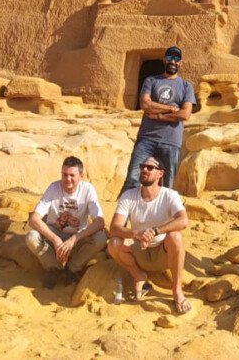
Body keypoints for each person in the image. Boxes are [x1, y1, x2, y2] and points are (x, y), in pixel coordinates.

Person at [107, 155, 191, 314]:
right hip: (141, 252)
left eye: (150, 167)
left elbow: (183, 221)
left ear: (160, 173)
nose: (144, 169)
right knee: (114, 243)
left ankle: (177, 291)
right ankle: (138, 275)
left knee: (176, 237)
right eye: (143, 166)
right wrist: (136, 234)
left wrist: (155, 231)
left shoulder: (169, 195)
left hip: (163, 253)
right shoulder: (129, 196)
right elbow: (114, 228)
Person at [25, 155, 108, 288]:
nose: (67, 179)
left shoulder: (88, 189)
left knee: (100, 237)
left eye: (72, 175)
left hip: (78, 235)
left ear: (81, 176)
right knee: (31, 237)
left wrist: (74, 239)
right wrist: (55, 239)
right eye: (64, 174)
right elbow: (34, 219)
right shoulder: (53, 187)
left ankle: (72, 269)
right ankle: (54, 268)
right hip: (55, 232)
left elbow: (100, 222)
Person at [121, 45, 194, 192]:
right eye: (169, 57)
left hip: (171, 141)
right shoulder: (151, 81)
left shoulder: (186, 86)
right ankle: (124, 214)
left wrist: (158, 115)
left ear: (180, 63)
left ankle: (163, 215)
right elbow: (145, 104)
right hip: (147, 138)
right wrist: (170, 108)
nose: (173, 61)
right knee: (133, 179)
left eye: (176, 58)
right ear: (164, 60)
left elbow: (185, 114)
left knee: (167, 185)